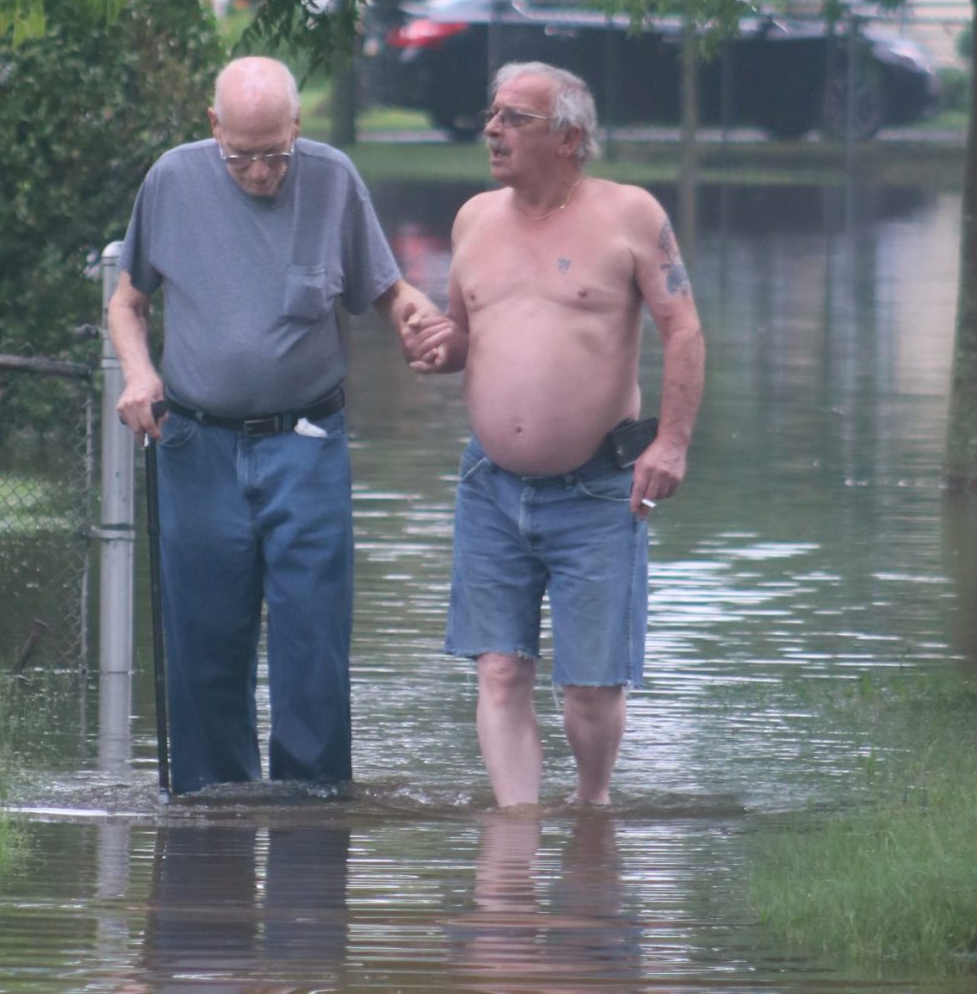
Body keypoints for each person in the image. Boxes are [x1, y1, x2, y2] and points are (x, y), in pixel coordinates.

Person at [109, 54, 438, 794]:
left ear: (298, 125)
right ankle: (208, 817)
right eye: (241, 156)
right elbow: (126, 304)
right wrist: (139, 373)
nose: (260, 172)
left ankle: (313, 815)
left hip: (306, 444)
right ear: (212, 128)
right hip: (195, 445)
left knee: (311, 638)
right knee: (203, 642)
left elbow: (383, 289)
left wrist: (413, 314)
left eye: (274, 154)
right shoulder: (170, 180)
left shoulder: (332, 179)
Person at [405, 60, 705, 807]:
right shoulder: (474, 218)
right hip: (490, 487)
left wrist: (670, 442)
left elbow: (684, 330)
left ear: (569, 137)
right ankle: (513, 846)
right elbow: (471, 337)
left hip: (597, 489)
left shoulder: (629, 215)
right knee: (500, 670)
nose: (492, 130)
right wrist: (445, 350)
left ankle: (591, 807)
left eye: (513, 118)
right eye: (492, 114)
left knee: (589, 692)